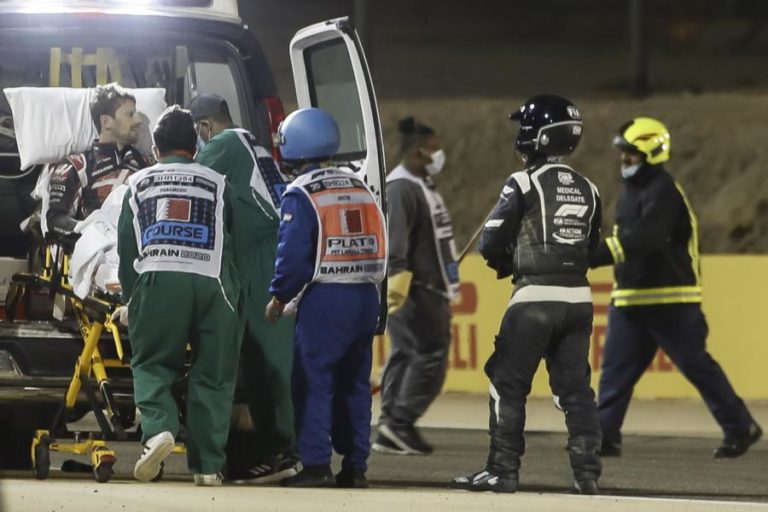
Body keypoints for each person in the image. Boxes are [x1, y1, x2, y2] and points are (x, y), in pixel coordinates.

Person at [453, 95, 603, 494]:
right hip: (580, 300)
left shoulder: (521, 182)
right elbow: (594, 248)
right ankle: (587, 475)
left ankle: (502, 469)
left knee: (507, 382)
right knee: (575, 390)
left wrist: (506, 264)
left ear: (537, 136)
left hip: (534, 298)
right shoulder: (590, 188)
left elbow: (491, 242)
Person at [591, 117, 762, 459]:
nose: (624, 161)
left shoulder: (664, 191)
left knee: (696, 366)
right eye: (623, 154)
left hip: (672, 300)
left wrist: (595, 254)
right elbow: (629, 239)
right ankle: (604, 435)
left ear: (652, 153)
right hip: (630, 299)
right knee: (614, 372)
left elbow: (645, 239)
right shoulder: (631, 195)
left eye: (631, 155)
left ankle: (741, 427)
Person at [117, 105, 242, 486]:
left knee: (152, 363)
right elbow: (233, 246)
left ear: (155, 149)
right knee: (214, 375)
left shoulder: (137, 185)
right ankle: (207, 467)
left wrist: (131, 300)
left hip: (158, 281)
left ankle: (158, 430)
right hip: (212, 284)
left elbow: (127, 251)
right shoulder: (219, 183)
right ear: (197, 146)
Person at [265, 108, 387, 488]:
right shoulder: (361, 184)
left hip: (327, 298)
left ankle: (316, 465)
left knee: (313, 381)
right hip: (366, 294)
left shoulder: (301, 193)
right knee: (354, 384)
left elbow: (294, 254)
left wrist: (279, 296)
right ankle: (356, 466)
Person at [189, 93, 298, 482]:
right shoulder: (251, 141)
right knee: (268, 357)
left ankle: (285, 451)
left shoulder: (223, 144)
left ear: (203, 127)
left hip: (261, 254)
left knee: (270, 360)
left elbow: (184, 180)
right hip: (273, 245)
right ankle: (282, 449)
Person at [372, 117, 458, 456]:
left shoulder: (421, 185)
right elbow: (396, 243)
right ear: (418, 152)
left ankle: (391, 426)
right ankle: (400, 421)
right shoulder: (402, 188)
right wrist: (400, 281)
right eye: (435, 149)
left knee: (406, 353)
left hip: (427, 286)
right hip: (415, 290)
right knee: (429, 355)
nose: (440, 155)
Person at [47, 83, 146, 236]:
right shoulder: (76, 165)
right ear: (106, 122)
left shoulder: (147, 164)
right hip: (97, 251)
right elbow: (55, 219)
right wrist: (92, 231)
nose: (138, 120)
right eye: (130, 114)